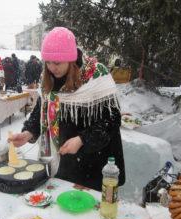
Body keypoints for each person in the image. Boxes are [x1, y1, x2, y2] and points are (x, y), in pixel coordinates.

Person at [9, 27, 125, 191]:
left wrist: (82, 139)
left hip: (93, 163)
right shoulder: (48, 77)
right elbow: (42, 110)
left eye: (57, 62)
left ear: (70, 59)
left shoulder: (96, 75)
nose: (52, 67)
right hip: (65, 161)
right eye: (48, 62)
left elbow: (112, 120)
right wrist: (29, 132)